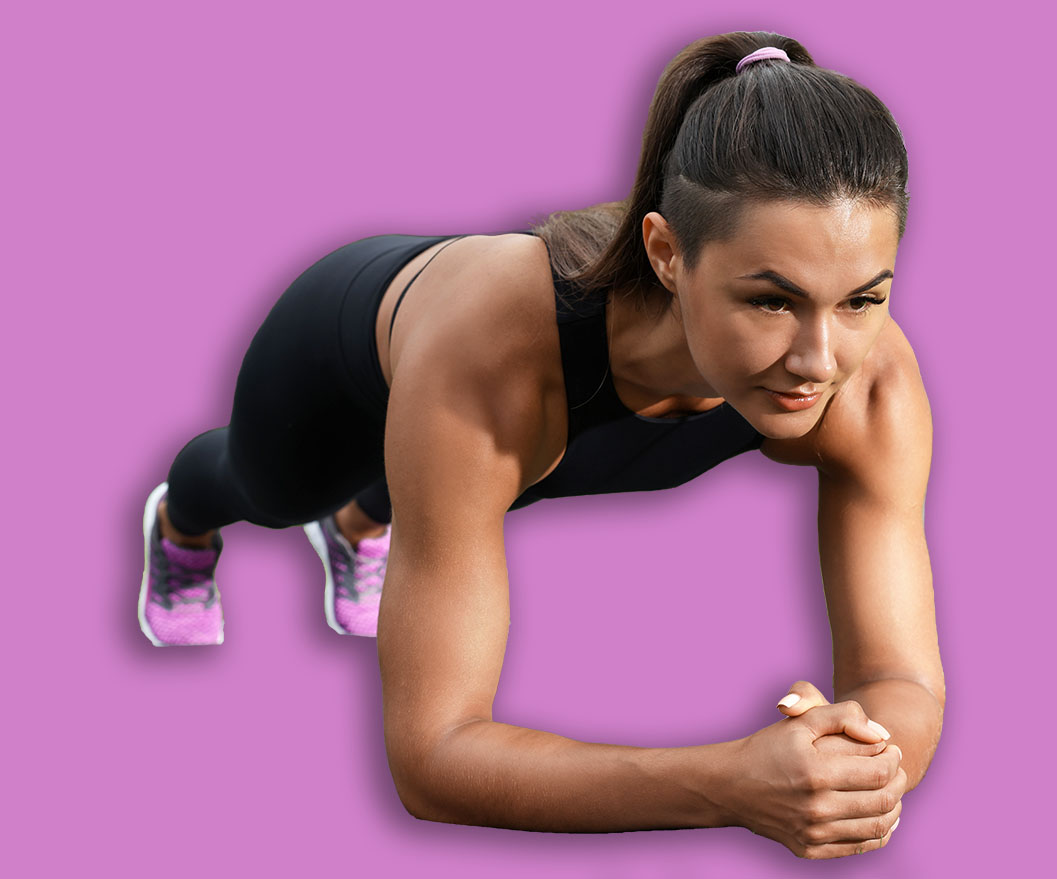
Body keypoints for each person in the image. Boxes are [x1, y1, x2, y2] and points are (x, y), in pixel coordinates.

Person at [137, 31, 944, 860]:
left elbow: (906, 682)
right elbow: (432, 757)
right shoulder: (495, 359)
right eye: (772, 302)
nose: (821, 360)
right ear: (668, 255)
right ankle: (181, 529)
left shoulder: (869, 379)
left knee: (466, 482)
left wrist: (866, 762)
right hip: (344, 363)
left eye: (861, 299)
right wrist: (732, 780)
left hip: (509, 435)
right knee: (271, 493)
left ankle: (362, 526)